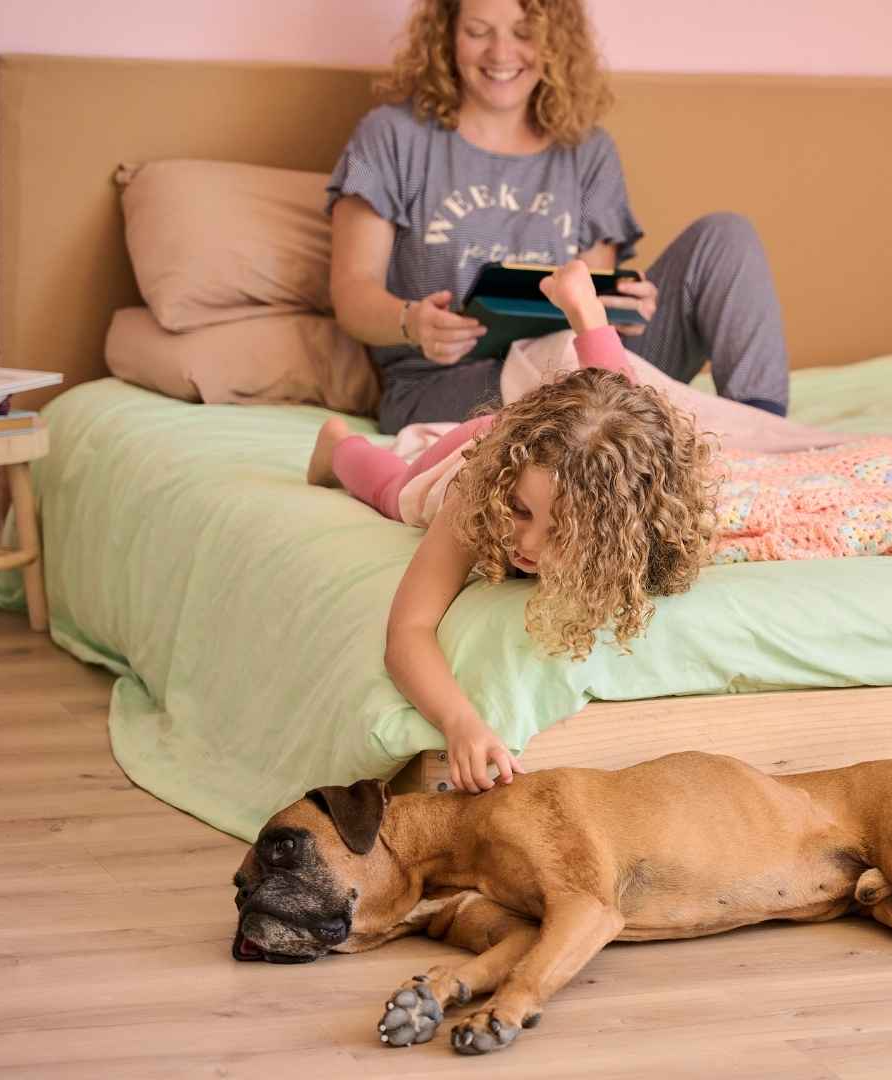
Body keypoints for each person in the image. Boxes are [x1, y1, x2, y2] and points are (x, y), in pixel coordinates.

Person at [306, 262, 718, 794]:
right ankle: (337, 446)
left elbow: (622, 426)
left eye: (561, 533)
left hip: (567, 448)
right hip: (483, 454)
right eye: (524, 515)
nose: (524, 544)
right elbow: (408, 631)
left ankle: (585, 309)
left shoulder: (637, 510)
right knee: (395, 491)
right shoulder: (482, 494)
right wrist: (460, 720)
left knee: (618, 406)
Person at [327, 0, 791, 436]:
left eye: (524, 33)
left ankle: (764, 434)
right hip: (450, 383)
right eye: (478, 32)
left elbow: (591, 294)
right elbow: (351, 290)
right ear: (447, 35)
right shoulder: (387, 136)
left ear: (554, 41)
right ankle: (684, 428)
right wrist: (412, 322)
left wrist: (621, 307)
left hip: (582, 371)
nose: (501, 53)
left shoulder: (589, 151)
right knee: (579, 384)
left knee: (726, 236)